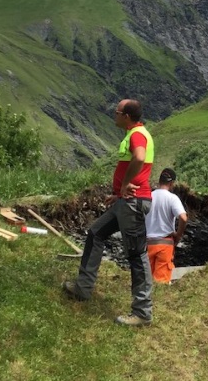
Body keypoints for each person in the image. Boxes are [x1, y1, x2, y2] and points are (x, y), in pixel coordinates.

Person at [63, 98, 154, 327]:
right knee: (96, 233)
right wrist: (119, 194)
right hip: (126, 202)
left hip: (133, 203)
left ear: (126, 116)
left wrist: (124, 187)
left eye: (117, 112)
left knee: (136, 254)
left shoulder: (137, 135)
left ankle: (142, 312)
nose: (114, 115)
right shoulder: (134, 133)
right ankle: (83, 288)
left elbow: (140, 157)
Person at [145, 167, 188, 284]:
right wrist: (178, 235)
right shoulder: (172, 198)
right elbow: (183, 218)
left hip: (147, 244)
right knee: (161, 283)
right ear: (171, 183)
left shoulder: (148, 196)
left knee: (146, 281)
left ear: (159, 181)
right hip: (165, 245)